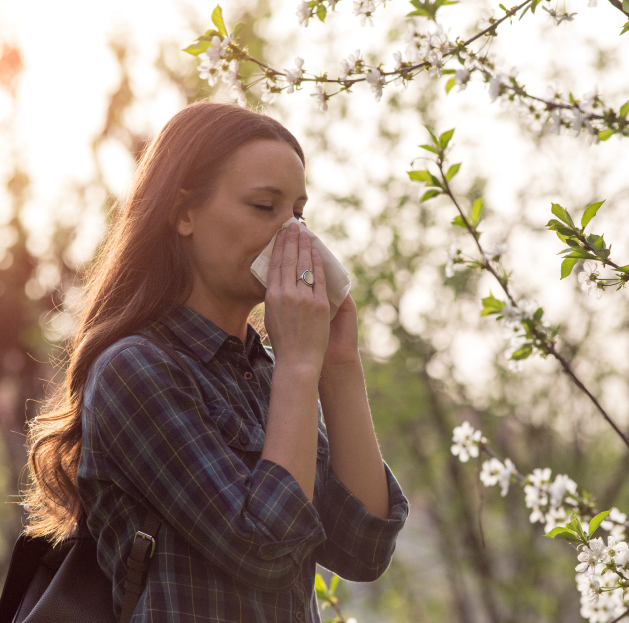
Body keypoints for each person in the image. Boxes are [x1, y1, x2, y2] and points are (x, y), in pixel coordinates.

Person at [23, 102, 409, 622]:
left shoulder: (271, 374)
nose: (292, 235)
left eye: (298, 212)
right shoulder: (136, 371)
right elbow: (263, 548)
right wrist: (299, 366)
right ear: (184, 212)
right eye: (263, 206)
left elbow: (364, 548)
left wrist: (338, 369)